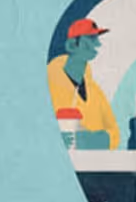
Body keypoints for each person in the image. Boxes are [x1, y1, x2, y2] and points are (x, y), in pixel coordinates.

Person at [46, 17, 117, 150]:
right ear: (72, 45)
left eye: (97, 38)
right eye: (90, 39)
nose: (97, 44)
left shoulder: (95, 91)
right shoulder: (49, 85)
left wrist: (91, 140)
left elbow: (115, 133)